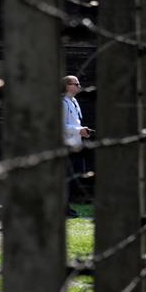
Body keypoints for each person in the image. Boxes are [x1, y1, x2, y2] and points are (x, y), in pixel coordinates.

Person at [63, 75, 89, 218]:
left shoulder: (74, 102)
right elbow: (61, 126)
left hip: (75, 145)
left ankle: (66, 207)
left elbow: (75, 122)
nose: (79, 86)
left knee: (72, 179)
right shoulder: (63, 103)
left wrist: (83, 130)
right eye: (76, 83)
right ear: (67, 86)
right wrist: (78, 131)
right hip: (65, 146)